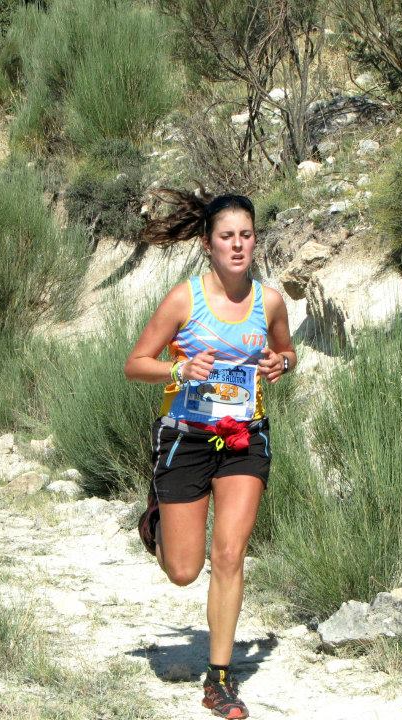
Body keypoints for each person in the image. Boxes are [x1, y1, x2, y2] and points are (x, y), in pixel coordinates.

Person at [123, 189, 296, 719]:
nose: (237, 245)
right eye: (227, 236)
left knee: (229, 555)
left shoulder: (269, 302)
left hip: (244, 437)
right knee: (183, 569)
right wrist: (179, 370)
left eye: (246, 235)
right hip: (187, 437)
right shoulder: (184, 300)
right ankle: (156, 518)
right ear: (208, 244)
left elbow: (287, 350)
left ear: (255, 240)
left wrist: (281, 363)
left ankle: (219, 678)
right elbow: (136, 363)